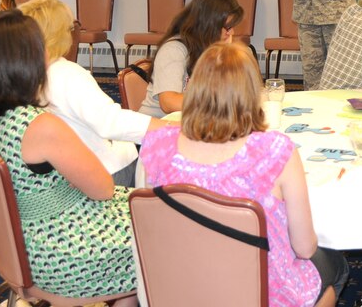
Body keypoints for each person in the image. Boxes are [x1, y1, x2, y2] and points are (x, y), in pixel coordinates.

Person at [140, 42, 348, 306]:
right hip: (260, 293)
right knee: (336, 264)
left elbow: (156, 226)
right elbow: (304, 248)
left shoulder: (157, 146)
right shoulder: (275, 151)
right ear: (252, 93)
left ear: (194, 87)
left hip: (181, 287)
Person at [0, 10, 137, 304]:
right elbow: (103, 189)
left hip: (20, 241)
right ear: (28, 62)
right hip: (62, 253)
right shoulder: (40, 125)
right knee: (158, 231)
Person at [19, 0, 168, 187]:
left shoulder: (23, 75)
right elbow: (110, 123)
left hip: (66, 175)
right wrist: (167, 128)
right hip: (107, 172)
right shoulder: (66, 74)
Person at [138, 0, 243, 118]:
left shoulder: (208, 47)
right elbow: (169, 103)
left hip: (188, 124)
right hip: (157, 128)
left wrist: (226, 54)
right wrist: (216, 104)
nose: (232, 32)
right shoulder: (174, 50)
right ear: (209, 25)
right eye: (228, 27)